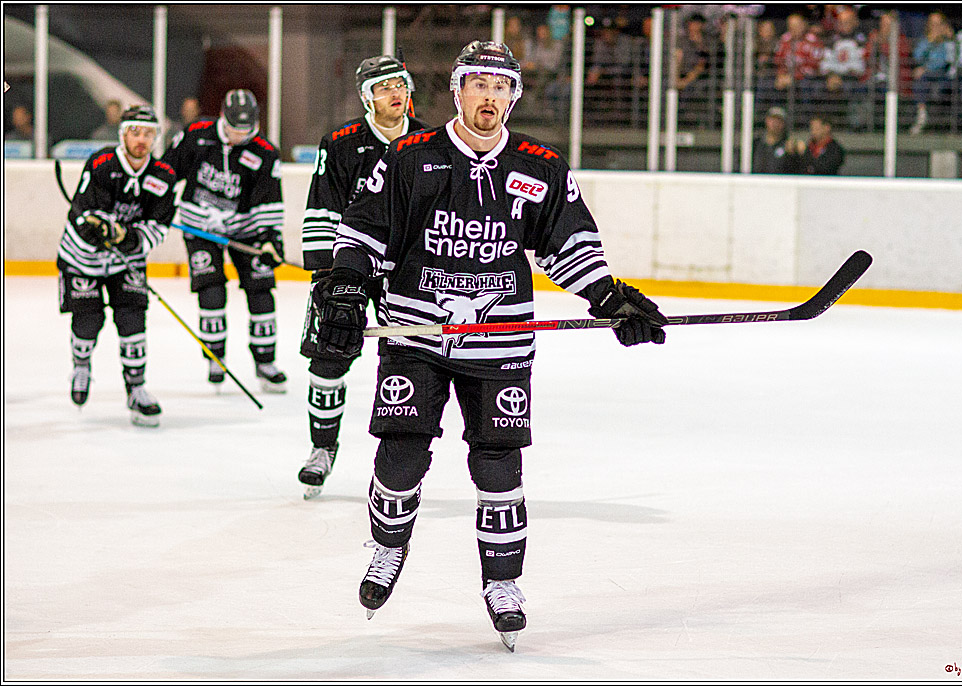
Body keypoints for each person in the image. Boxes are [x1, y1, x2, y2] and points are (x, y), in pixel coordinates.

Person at [312, 40, 667, 651]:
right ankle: (388, 546)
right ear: (456, 91)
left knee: (498, 464)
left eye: (503, 87)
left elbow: (570, 247)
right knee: (401, 454)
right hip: (415, 332)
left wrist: (610, 299)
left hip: (499, 336)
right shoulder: (407, 157)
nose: (491, 97)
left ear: (514, 96)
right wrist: (345, 289)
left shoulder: (540, 167)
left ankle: (504, 583)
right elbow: (366, 232)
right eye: (480, 84)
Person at [297, 55, 427, 500]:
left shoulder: (430, 142)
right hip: (349, 264)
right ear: (367, 97)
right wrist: (329, 279)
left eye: (400, 84)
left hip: (407, 270)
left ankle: (398, 465)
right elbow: (321, 209)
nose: (396, 93)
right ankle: (321, 448)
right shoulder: (339, 143)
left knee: (408, 362)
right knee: (329, 355)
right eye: (384, 86)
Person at [160, 89, 288, 393]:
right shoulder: (195, 134)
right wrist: (154, 208)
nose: (239, 136)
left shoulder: (265, 152)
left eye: (246, 130)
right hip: (200, 227)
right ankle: (215, 359)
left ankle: (265, 362)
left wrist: (272, 242)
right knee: (211, 289)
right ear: (222, 117)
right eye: (233, 128)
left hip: (246, 231)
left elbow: (270, 202)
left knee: (261, 290)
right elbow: (166, 173)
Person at [56, 105, 175, 426]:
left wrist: (128, 237)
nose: (142, 139)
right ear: (123, 134)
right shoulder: (101, 163)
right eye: (135, 131)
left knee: (132, 320)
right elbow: (80, 212)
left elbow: (159, 226)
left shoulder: (163, 176)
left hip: (127, 261)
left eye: (148, 133)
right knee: (88, 321)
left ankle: (136, 388)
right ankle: (81, 367)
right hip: (83, 258)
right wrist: (98, 227)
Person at [910, 12, 956, 134]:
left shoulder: (948, 42)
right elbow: (917, 57)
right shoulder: (925, 41)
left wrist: (926, 68)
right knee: (921, 80)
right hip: (927, 77)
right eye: (933, 24)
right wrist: (931, 43)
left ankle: (926, 118)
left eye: (938, 24)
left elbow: (946, 61)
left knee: (922, 76)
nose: (935, 27)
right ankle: (922, 114)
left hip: (944, 75)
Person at [751, 106, 800, 174]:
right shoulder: (756, 144)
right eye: (773, 119)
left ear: (784, 124)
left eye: (779, 120)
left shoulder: (788, 146)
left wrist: (793, 154)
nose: (776, 124)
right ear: (767, 120)